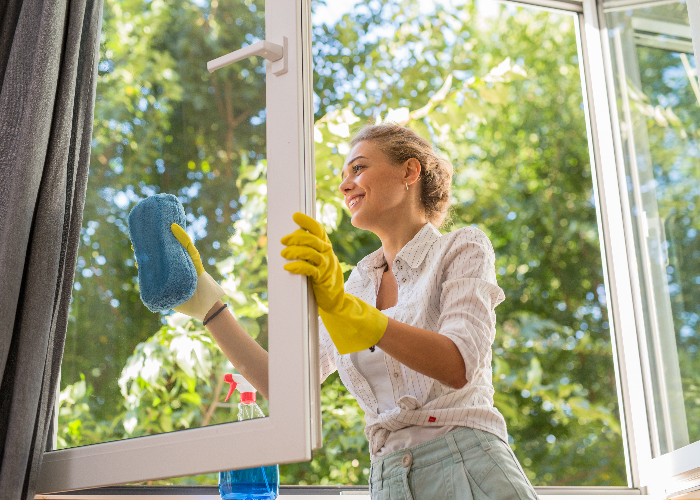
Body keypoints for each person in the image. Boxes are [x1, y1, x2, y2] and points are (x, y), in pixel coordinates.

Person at [168, 123, 538, 500]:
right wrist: (212, 310)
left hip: (468, 468)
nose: (345, 185)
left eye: (358, 169)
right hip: (386, 481)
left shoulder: (462, 248)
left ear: (409, 172)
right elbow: (286, 388)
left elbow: (457, 364)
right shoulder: (356, 288)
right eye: (343, 175)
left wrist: (350, 314)